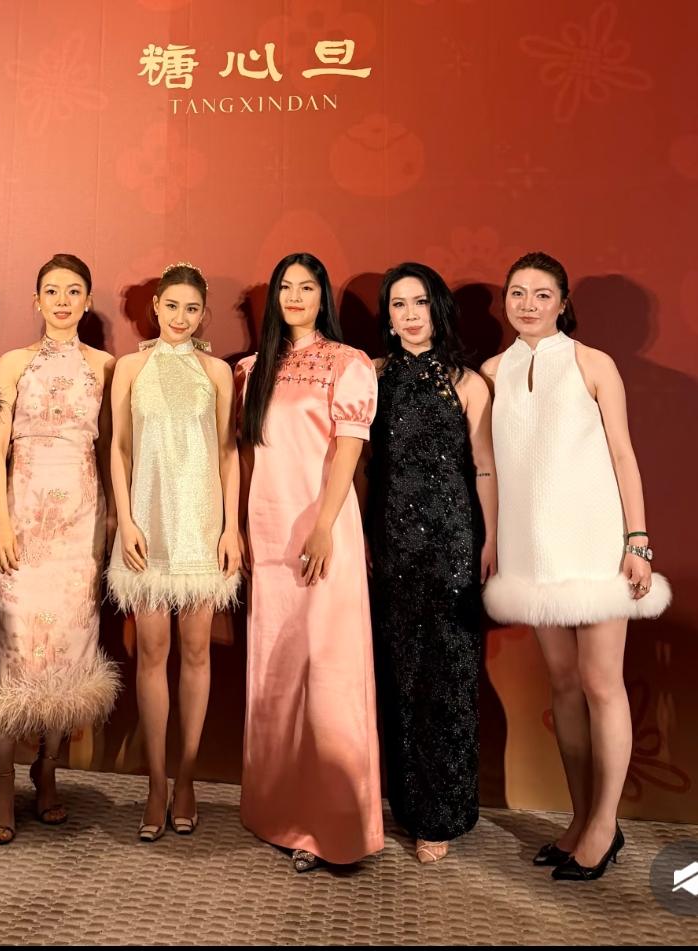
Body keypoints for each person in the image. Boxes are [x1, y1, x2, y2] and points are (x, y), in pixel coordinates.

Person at [481, 251, 671, 881]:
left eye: (542, 294)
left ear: (562, 303)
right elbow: (488, 468)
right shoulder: (493, 373)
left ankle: (604, 826)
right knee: (562, 685)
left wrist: (637, 541)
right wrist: (492, 540)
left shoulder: (593, 364)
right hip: (532, 549)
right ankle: (581, 816)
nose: (528, 304)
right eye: (517, 292)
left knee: (600, 683)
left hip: (594, 543)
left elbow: (623, 454)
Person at [0, 254, 120, 845]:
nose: (62, 301)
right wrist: (0, 522)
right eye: (52, 291)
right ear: (36, 300)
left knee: (68, 648)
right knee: (15, 643)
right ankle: (2, 778)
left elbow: (110, 451)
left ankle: (47, 769)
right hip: (22, 520)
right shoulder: (13, 363)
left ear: (87, 301)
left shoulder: (104, 365)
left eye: (74, 291)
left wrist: (110, 524)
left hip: (80, 523)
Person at [236, 252, 383, 873]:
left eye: (307, 286)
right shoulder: (251, 369)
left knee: (328, 672)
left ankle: (332, 828)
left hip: (323, 531)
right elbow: (248, 457)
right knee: (277, 669)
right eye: (285, 287)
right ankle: (278, 812)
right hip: (269, 532)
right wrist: (238, 529)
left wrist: (324, 526)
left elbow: (348, 452)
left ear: (324, 296)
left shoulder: (348, 363)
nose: (295, 296)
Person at [366, 262, 497, 863]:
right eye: (399, 305)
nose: (410, 314)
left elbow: (485, 466)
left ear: (436, 308)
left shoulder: (467, 382)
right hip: (390, 542)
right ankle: (405, 805)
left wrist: (490, 538)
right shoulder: (372, 376)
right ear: (388, 318)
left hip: (452, 545)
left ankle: (441, 816)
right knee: (400, 674)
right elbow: (356, 462)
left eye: (419, 302)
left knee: (450, 677)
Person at [107, 262, 241, 841]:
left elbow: (229, 453)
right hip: (148, 525)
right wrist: (126, 521)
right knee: (151, 651)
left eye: (192, 309)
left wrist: (230, 528)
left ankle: (187, 778)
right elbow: (118, 448)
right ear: (155, 307)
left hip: (202, 528)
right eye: (172, 306)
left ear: (203, 313)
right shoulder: (130, 368)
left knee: (196, 651)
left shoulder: (217, 372)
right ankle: (156, 784)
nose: (181, 318)